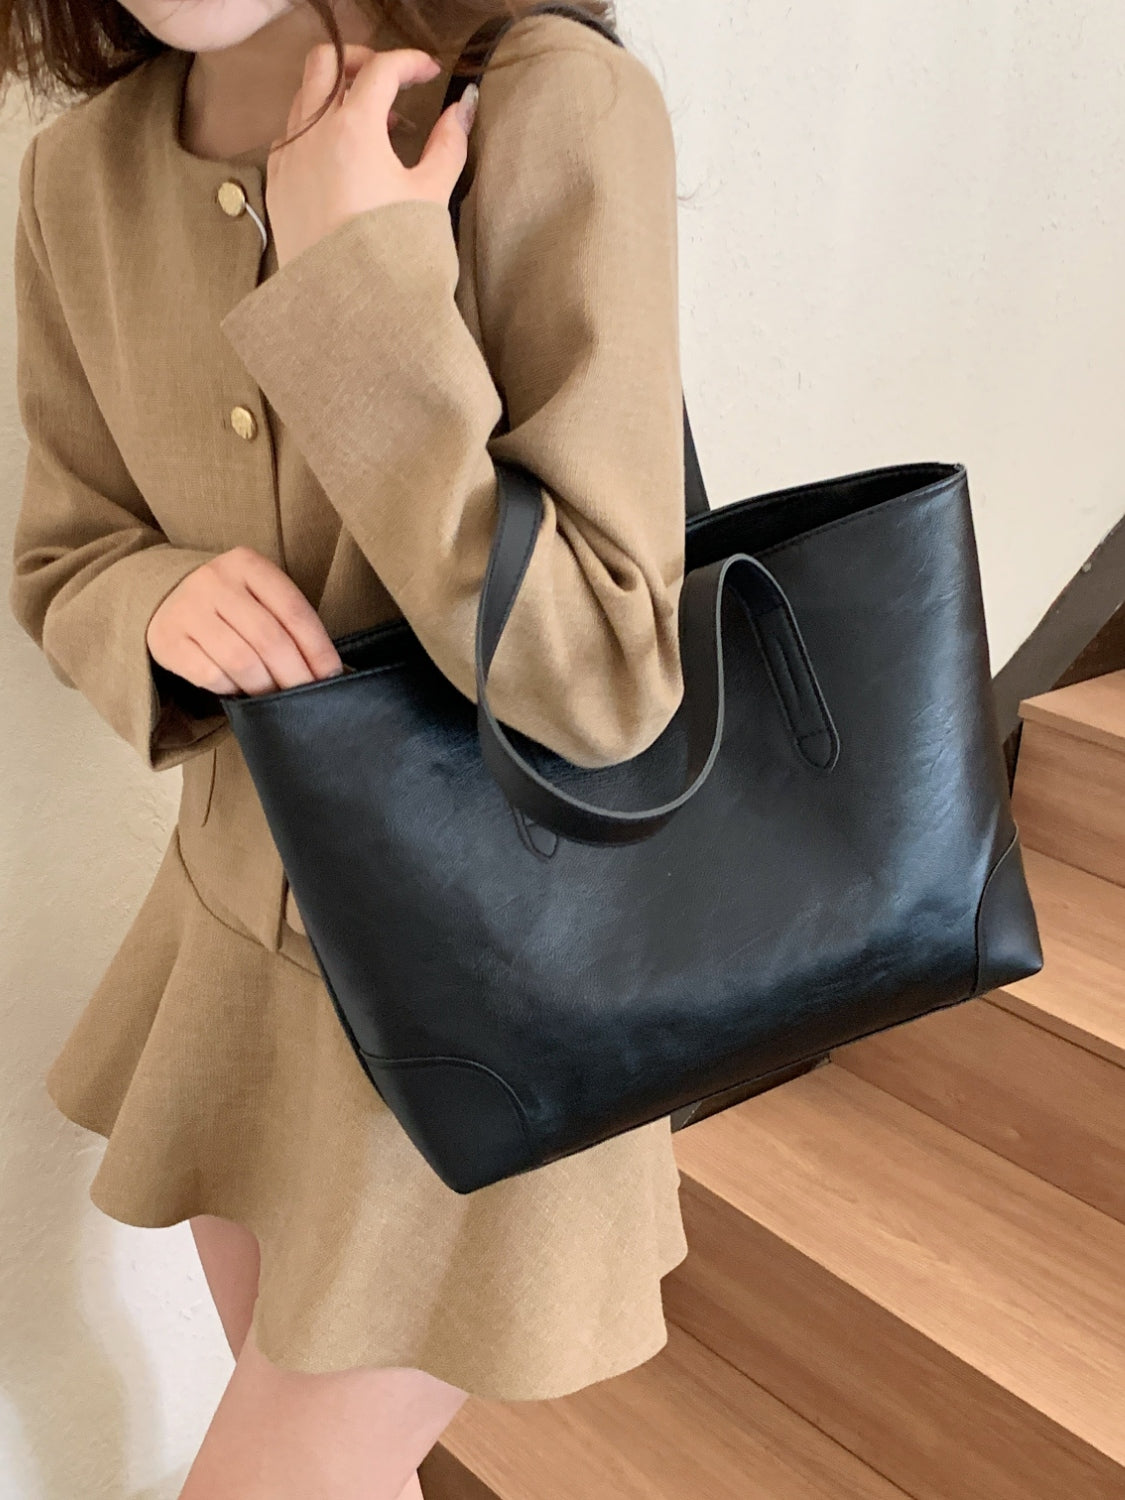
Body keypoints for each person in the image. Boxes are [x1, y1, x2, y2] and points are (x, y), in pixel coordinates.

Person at [4, 0, 690, 1493]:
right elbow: (63, 552)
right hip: (234, 963)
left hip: (487, 993)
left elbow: (603, 669)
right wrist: (150, 599)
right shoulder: (79, 176)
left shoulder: (546, 102)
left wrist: (359, 282)